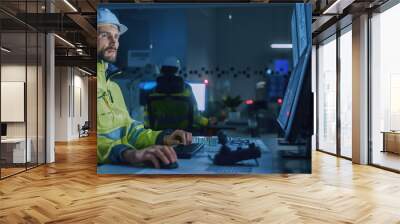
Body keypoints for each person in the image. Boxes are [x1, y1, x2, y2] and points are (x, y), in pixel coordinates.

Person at [97, 8, 192, 168]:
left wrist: (162, 138)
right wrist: (128, 153)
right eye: (105, 35)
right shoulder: (85, 83)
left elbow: (131, 131)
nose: (114, 42)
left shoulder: (114, 87)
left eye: (116, 36)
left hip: (120, 167)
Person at [144, 56, 217, 131]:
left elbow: (147, 120)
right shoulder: (186, 90)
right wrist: (207, 122)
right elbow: (195, 116)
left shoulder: (152, 92)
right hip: (183, 136)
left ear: (161, 70)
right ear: (178, 70)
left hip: (160, 136)